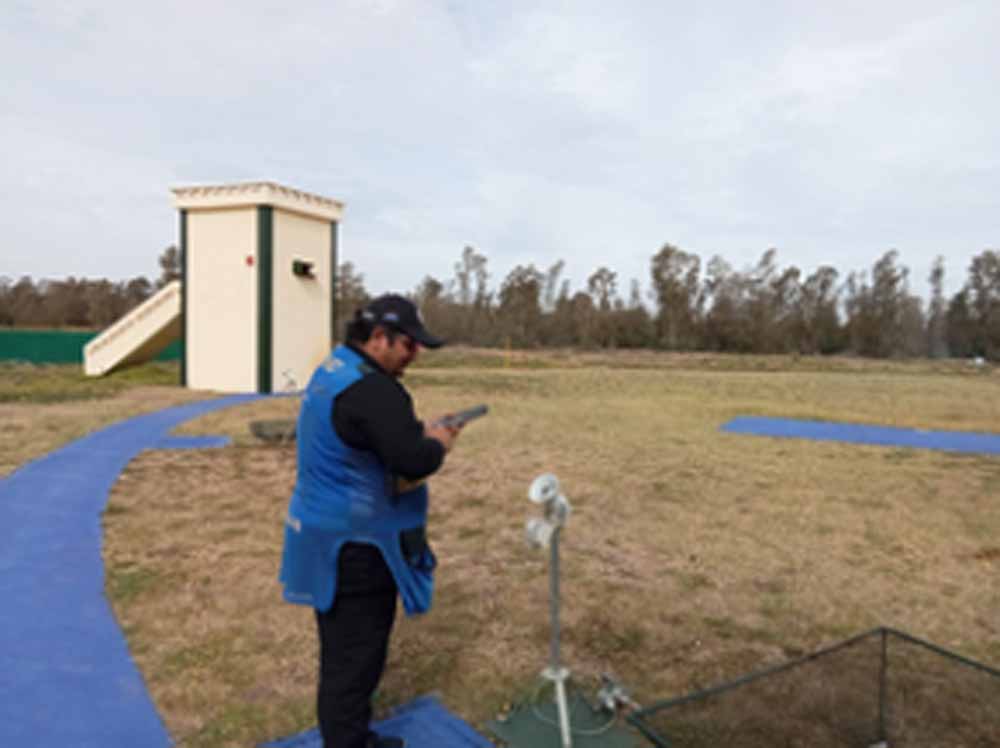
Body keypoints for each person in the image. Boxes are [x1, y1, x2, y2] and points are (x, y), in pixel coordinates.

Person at [279, 294, 463, 748]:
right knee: (354, 660)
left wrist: (411, 434)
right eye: (409, 344)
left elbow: (364, 435)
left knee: (342, 654)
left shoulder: (334, 370)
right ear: (379, 338)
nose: (415, 355)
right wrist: (438, 442)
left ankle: (351, 736)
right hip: (357, 547)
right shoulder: (376, 390)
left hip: (323, 536)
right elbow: (413, 460)